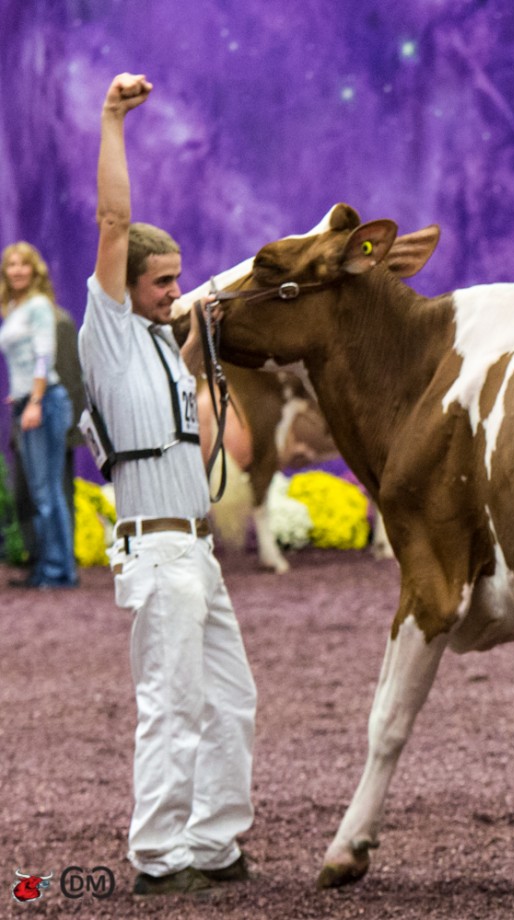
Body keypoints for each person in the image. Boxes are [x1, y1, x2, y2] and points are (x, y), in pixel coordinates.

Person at [79, 72, 257, 897]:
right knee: (172, 705)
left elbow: (183, 366)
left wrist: (199, 341)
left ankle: (216, 844)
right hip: (157, 552)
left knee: (231, 700)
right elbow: (114, 219)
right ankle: (158, 858)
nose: (174, 292)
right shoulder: (110, 332)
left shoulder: (156, 342)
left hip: (198, 552)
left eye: (178, 280)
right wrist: (114, 119)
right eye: (162, 283)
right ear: (126, 286)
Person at [0, 242, 78, 588]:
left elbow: (45, 356)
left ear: (35, 270)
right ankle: (49, 566)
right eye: (11, 264)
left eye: (23, 264)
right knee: (39, 491)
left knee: (48, 493)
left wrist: (34, 399)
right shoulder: (16, 308)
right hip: (29, 400)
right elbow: (24, 360)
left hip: (44, 403)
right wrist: (19, 395)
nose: (17, 270)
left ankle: (59, 570)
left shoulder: (39, 307)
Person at [11, 302, 86, 569]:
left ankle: (60, 564)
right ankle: (45, 560)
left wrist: (65, 429)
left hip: (49, 417)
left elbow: (67, 378)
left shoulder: (56, 321)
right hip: (32, 413)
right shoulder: (18, 319)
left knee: (52, 493)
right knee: (35, 494)